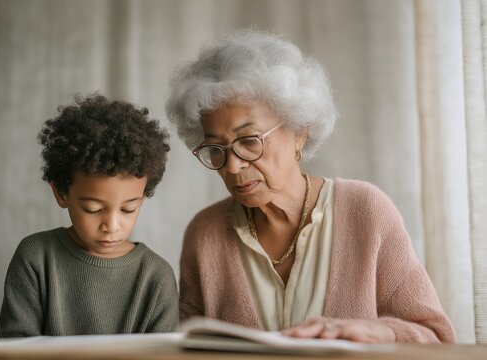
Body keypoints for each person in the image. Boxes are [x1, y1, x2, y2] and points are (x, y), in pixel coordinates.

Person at [166, 30, 455, 343]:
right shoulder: (205, 234)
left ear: (299, 133)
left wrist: (380, 332)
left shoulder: (366, 212)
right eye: (215, 149)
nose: (232, 166)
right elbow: (188, 344)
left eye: (249, 142)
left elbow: (438, 337)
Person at [0, 94, 179, 337]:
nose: (112, 226)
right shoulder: (36, 258)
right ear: (61, 193)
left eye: (128, 209)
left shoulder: (157, 277)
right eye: (93, 209)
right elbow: (13, 350)